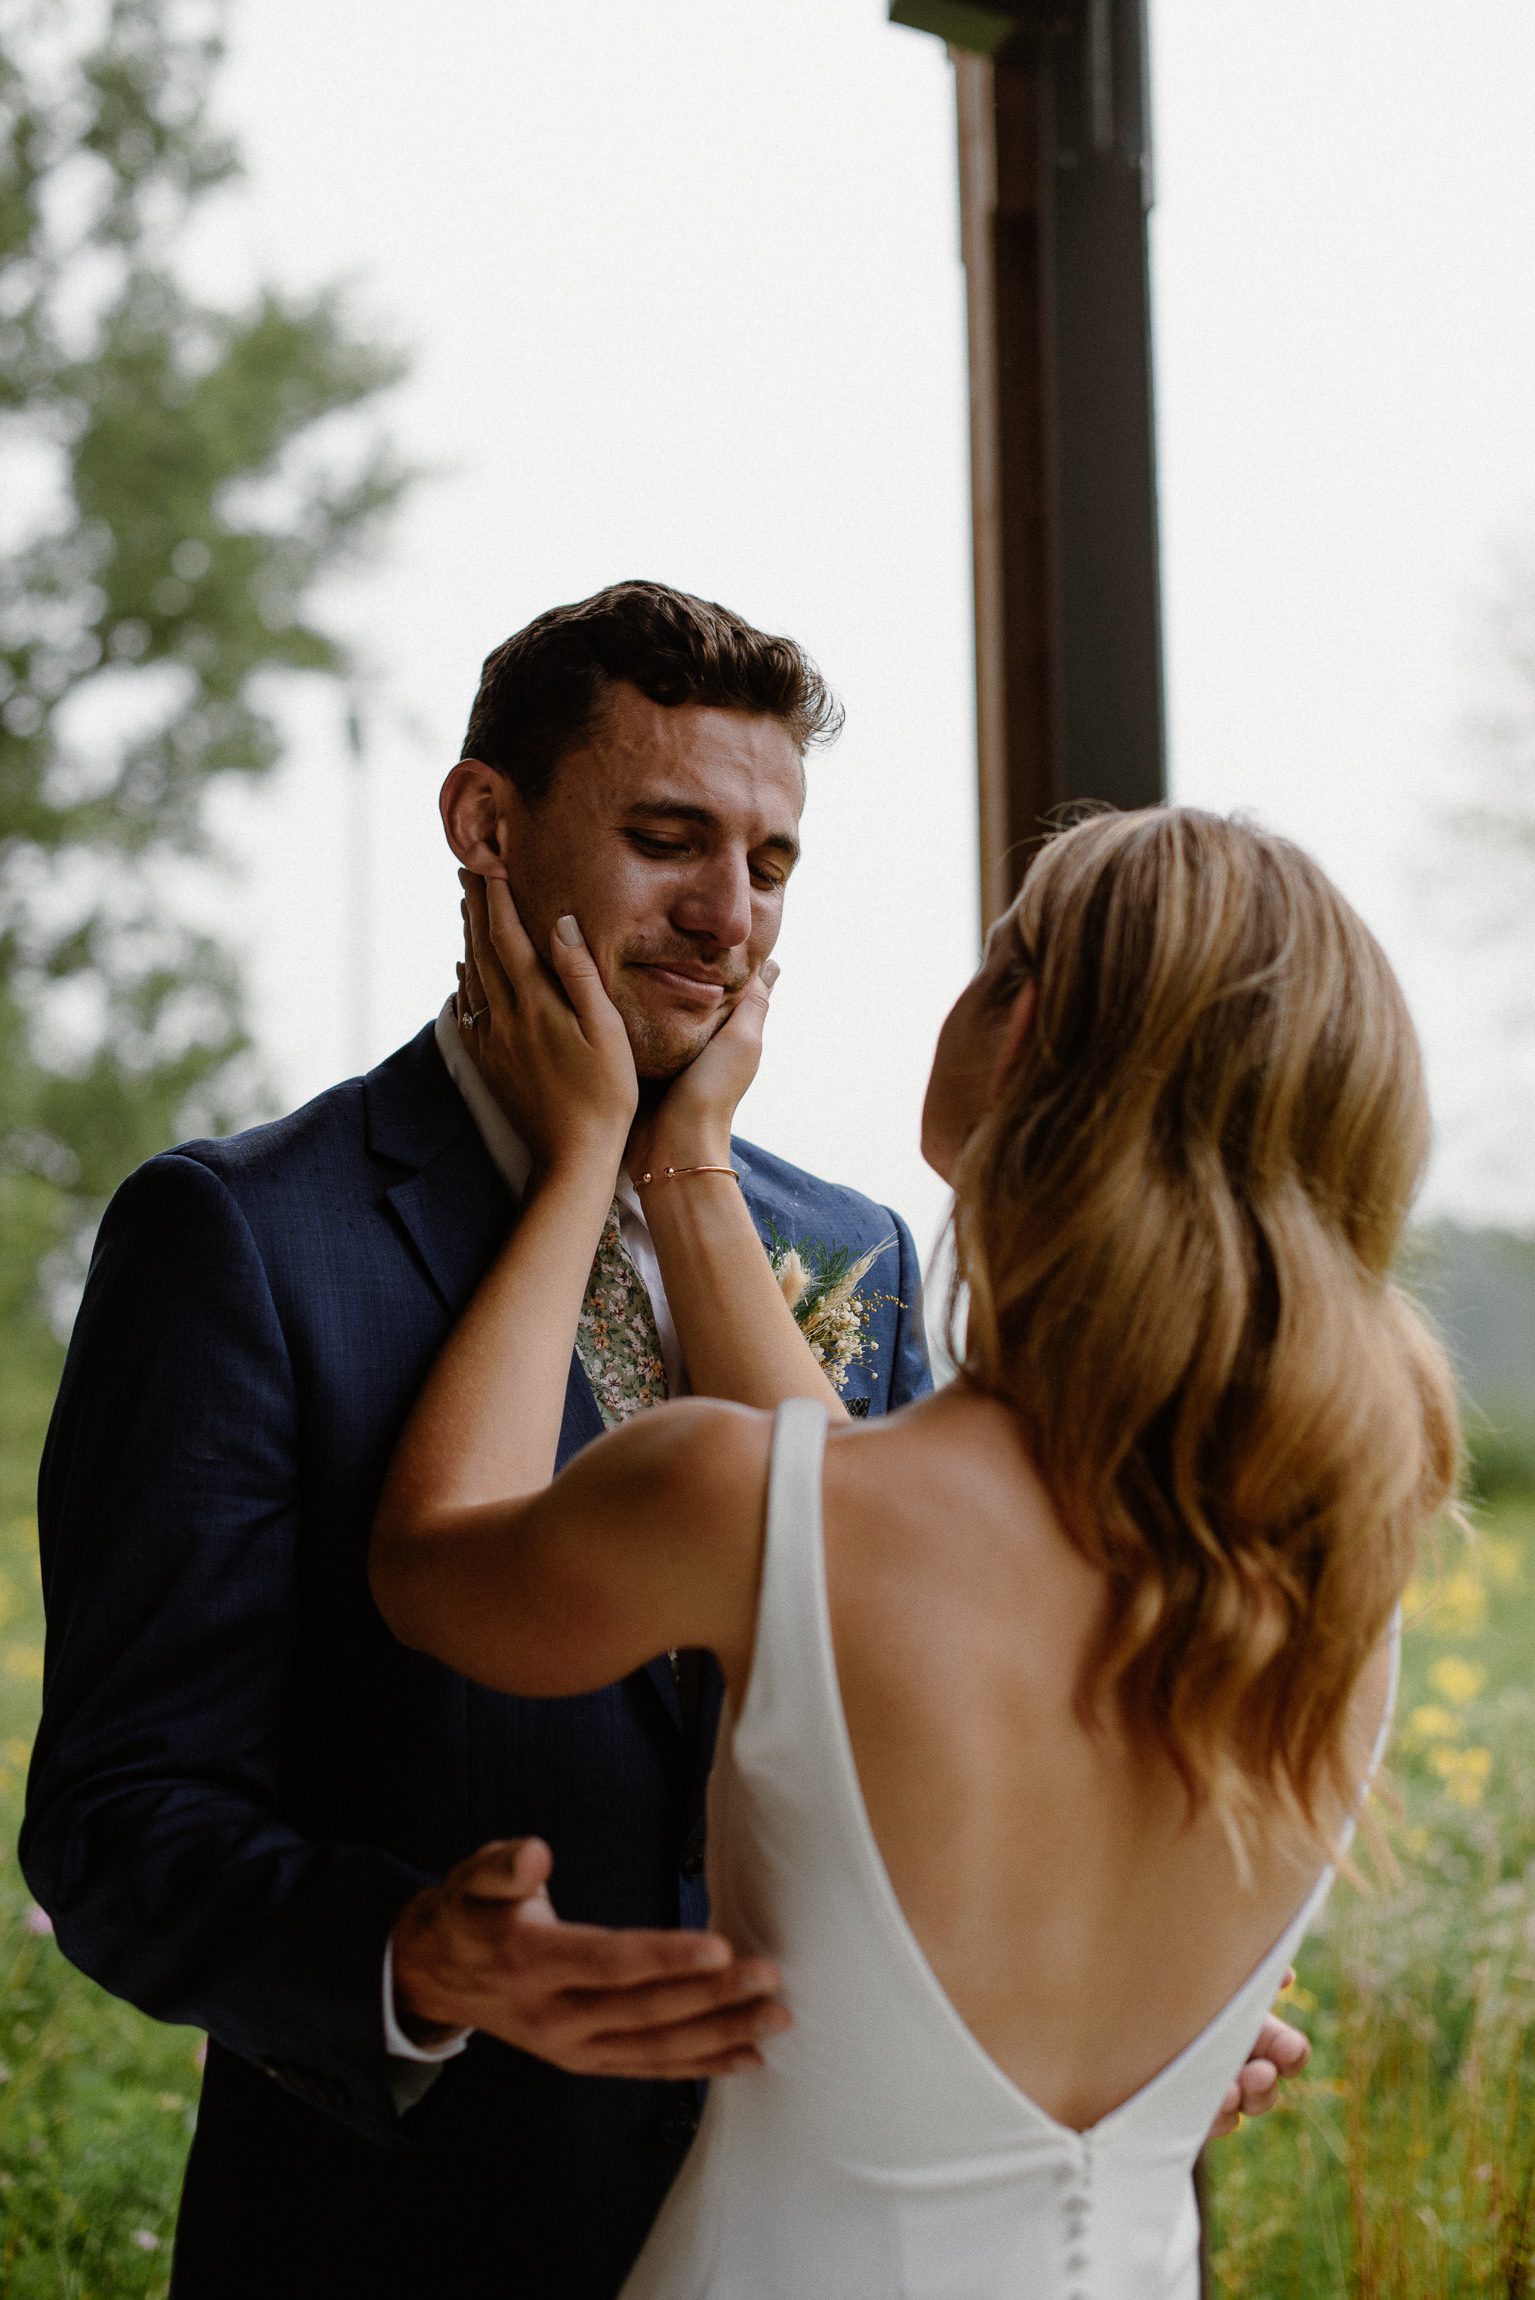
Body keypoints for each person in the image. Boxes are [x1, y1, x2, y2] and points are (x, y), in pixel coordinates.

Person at [370, 805, 1459, 2298]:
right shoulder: (1333, 1584)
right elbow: (863, 1525)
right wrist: (688, 1168)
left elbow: (435, 1560)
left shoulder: (756, 1509)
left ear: (1015, 1036)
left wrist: (581, 1168)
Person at [20, 584, 934, 2299]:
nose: (728, 915)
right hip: (407, 2246)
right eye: (670, 838)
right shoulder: (242, 1240)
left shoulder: (857, 1257)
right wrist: (416, 1956)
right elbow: (118, 1820)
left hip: (820, 2234)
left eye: (773, 864)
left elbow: (933, 1753)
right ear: (485, 823)